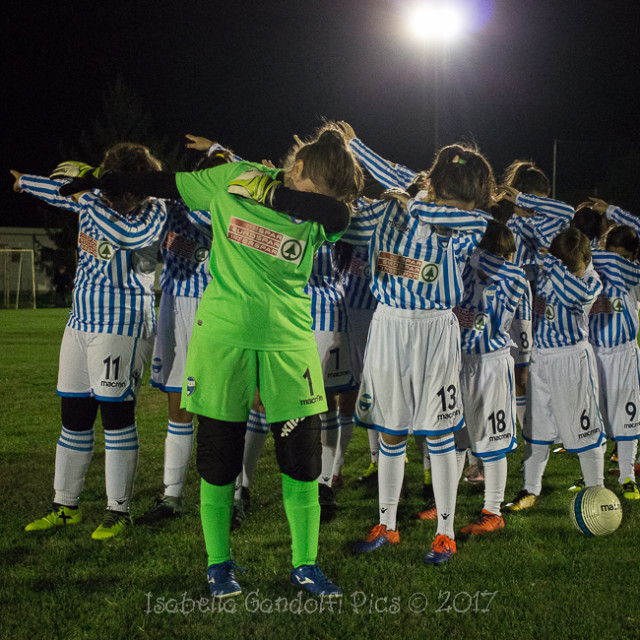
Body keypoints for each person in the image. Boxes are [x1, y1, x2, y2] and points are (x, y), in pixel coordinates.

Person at [59, 123, 363, 598]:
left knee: (301, 463)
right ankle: (219, 564)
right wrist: (101, 178)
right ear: (298, 166)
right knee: (219, 459)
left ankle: (305, 565)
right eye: (315, 182)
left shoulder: (322, 209)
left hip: (290, 345)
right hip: (223, 337)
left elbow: (332, 211)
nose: (319, 195)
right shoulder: (231, 178)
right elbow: (164, 184)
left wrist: (269, 190)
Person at [337, 139, 493, 565]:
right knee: (390, 430)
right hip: (387, 324)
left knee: (439, 433)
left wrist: (409, 195)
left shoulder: (470, 222)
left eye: (470, 200)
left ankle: (445, 533)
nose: (466, 206)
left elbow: (428, 208)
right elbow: (339, 219)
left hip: (435, 329)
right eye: (459, 196)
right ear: (438, 182)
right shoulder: (390, 209)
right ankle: (387, 524)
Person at [13, 142, 166, 540]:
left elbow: (128, 236)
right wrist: (27, 182)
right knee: (74, 417)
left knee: (115, 417)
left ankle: (119, 510)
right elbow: (61, 192)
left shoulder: (153, 210)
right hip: (79, 322)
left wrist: (88, 198)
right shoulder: (93, 198)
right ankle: (65, 505)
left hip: (121, 323)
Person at [136, 139, 235, 525]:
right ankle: (171, 496)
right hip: (176, 307)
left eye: (225, 169)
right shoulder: (174, 203)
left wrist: (219, 147)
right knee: (178, 403)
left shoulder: (232, 207)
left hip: (217, 310)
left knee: (223, 409)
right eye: (212, 169)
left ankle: (232, 494)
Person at [505, 226, 606, 511]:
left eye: (574, 267)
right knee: (536, 429)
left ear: (586, 260)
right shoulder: (548, 272)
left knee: (584, 429)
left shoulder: (591, 281)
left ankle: (596, 491)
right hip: (541, 359)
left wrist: (552, 264)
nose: (573, 271)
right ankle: (530, 489)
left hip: (572, 360)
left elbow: (576, 294)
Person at [453, 221, 527, 533]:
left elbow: (505, 272)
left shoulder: (515, 275)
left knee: (493, 440)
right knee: (453, 437)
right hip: (458, 361)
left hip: (492, 364)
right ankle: (445, 501)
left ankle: (493, 510)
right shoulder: (464, 268)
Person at [584, 198, 640, 499]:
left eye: (623, 257)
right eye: (612, 255)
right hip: (593, 351)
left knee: (627, 414)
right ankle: (593, 477)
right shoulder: (593, 261)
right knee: (596, 417)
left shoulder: (633, 272)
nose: (616, 261)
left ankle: (628, 476)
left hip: (623, 352)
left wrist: (614, 212)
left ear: (633, 255)